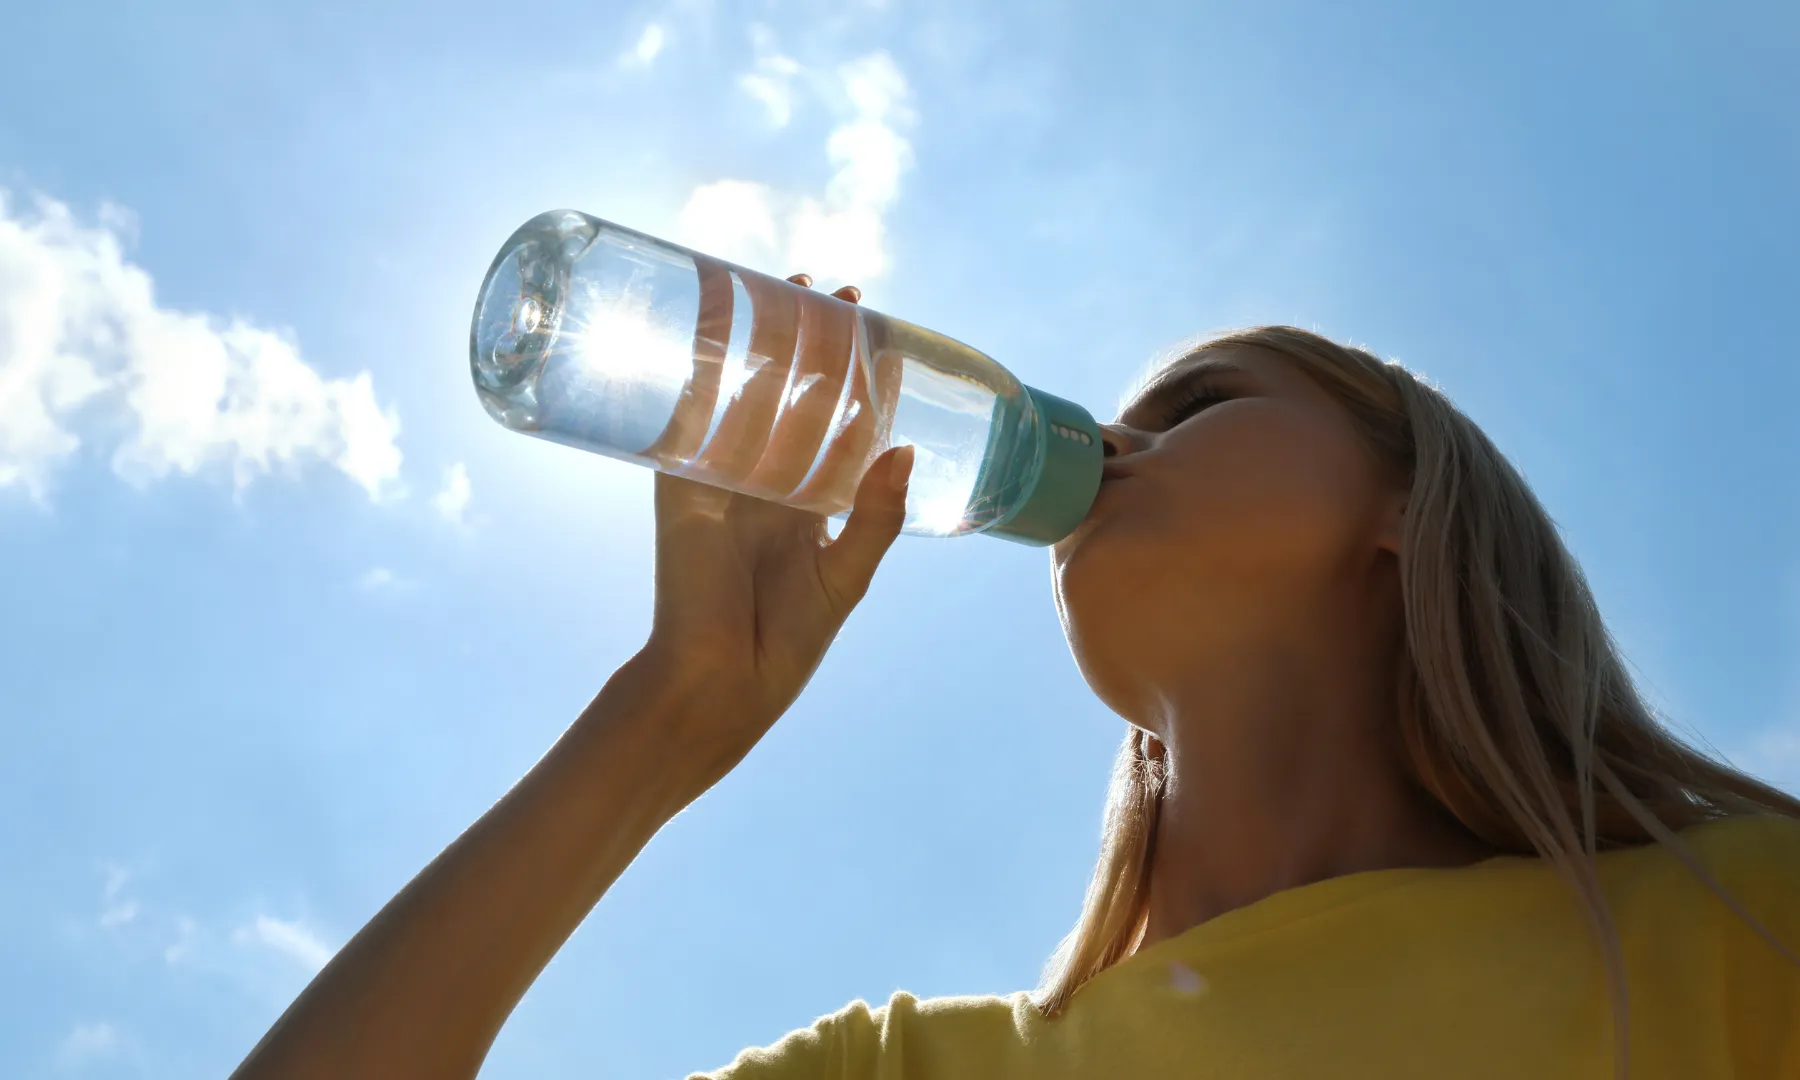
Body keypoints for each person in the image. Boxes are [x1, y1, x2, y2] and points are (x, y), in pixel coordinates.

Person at [230, 288, 1800, 1080]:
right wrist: (671, 711)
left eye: (1197, 408)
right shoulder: (912, 1072)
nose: (1112, 443)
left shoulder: (1731, 922)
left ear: (1407, 511)